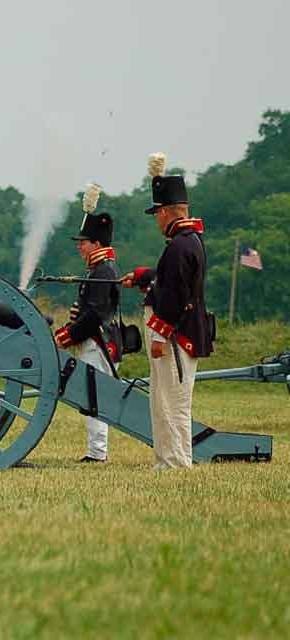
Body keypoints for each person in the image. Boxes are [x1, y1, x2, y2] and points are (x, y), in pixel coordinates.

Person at [121, 153, 213, 469]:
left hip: (175, 335)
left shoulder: (178, 246)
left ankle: (175, 463)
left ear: (164, 212)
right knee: (166, 402)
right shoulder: (189, 242)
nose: (156, 220)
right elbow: (171, 281)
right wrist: (145, 276)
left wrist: (160, 335)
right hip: (182, 331)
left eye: (157, 214)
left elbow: (174, 297)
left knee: (171, 402)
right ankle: (169, 460)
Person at [53, 196, 122, 463]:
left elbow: (94, 315)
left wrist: (67, 335)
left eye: (83, 242)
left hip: (97, 342)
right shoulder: (99, 269)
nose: (79, 247)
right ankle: (96, 451)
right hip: (92, 341)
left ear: (97, 243)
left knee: (95, 397)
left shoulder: (103, 270)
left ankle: (97, 453)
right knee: (92, 396)